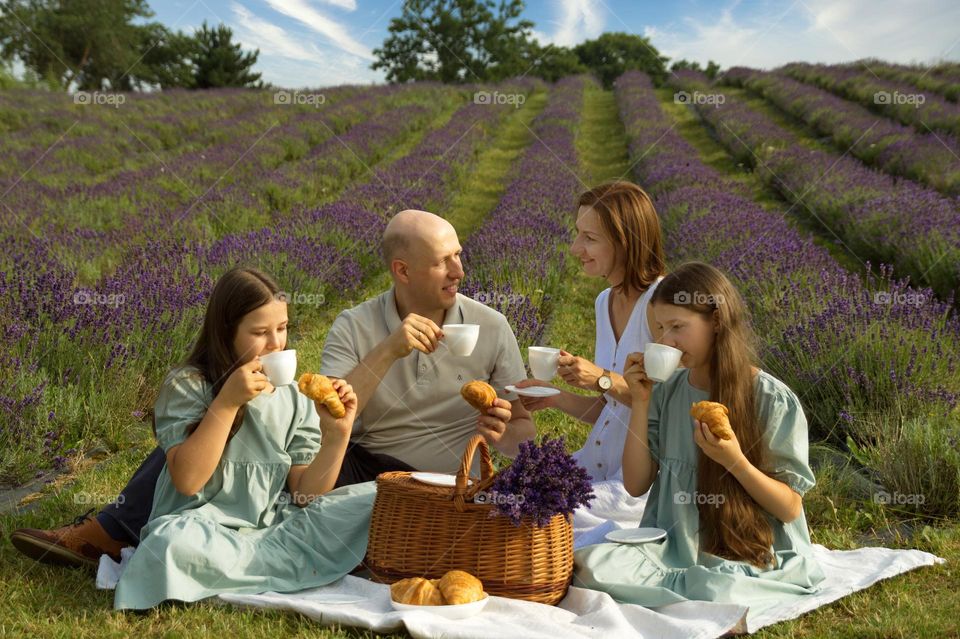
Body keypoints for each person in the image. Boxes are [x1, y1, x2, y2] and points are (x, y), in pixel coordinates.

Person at [11, 210, 535, 567]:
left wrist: (502, 432)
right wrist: (388, 351)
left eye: (459, 256)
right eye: (445, 261)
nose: (460, 270)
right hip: (362, 458)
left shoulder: (492, 327)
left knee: (239, 427)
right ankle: (118, 528)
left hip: (450, 473)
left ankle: (116, 528)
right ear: (402, 270)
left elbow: (522, 433)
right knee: (224, 417)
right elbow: (331, 407)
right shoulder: (356, 325)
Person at [573, 262, 825, 625]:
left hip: (752, 548)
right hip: (676, 545)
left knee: (716, 588)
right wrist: (642, 401)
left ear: (717, 322)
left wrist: (735, 461)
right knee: (590, 566)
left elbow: (788, 508)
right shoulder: (668, 391)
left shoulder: (770, 398)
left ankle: (709, 596)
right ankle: (702, 596)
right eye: (659, 329)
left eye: (678, 327)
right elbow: (635, 483)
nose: (666, 341)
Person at [111, 267, 375, 610]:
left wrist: (338, 435)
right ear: (227, 332)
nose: (276, 343)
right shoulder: (189, 386)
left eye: (282, 329)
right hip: (201, 529)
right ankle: (285, 570)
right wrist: (227, 402)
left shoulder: (293, 397)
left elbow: (307, 494)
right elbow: (188, 481)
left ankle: (238, 572)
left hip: (274, 530)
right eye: (260, 332)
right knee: (169, 545)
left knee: (377, 497)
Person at [517, 181, 666, 481]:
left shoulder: (661, 304)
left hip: (639, 483)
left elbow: (668, 411)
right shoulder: (605, 302)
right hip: (597, 468)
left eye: (589, 238)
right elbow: (609, 411)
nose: (575, 248)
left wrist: (601, 379)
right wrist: (554, 397)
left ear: (625, 241)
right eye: (578, 234)